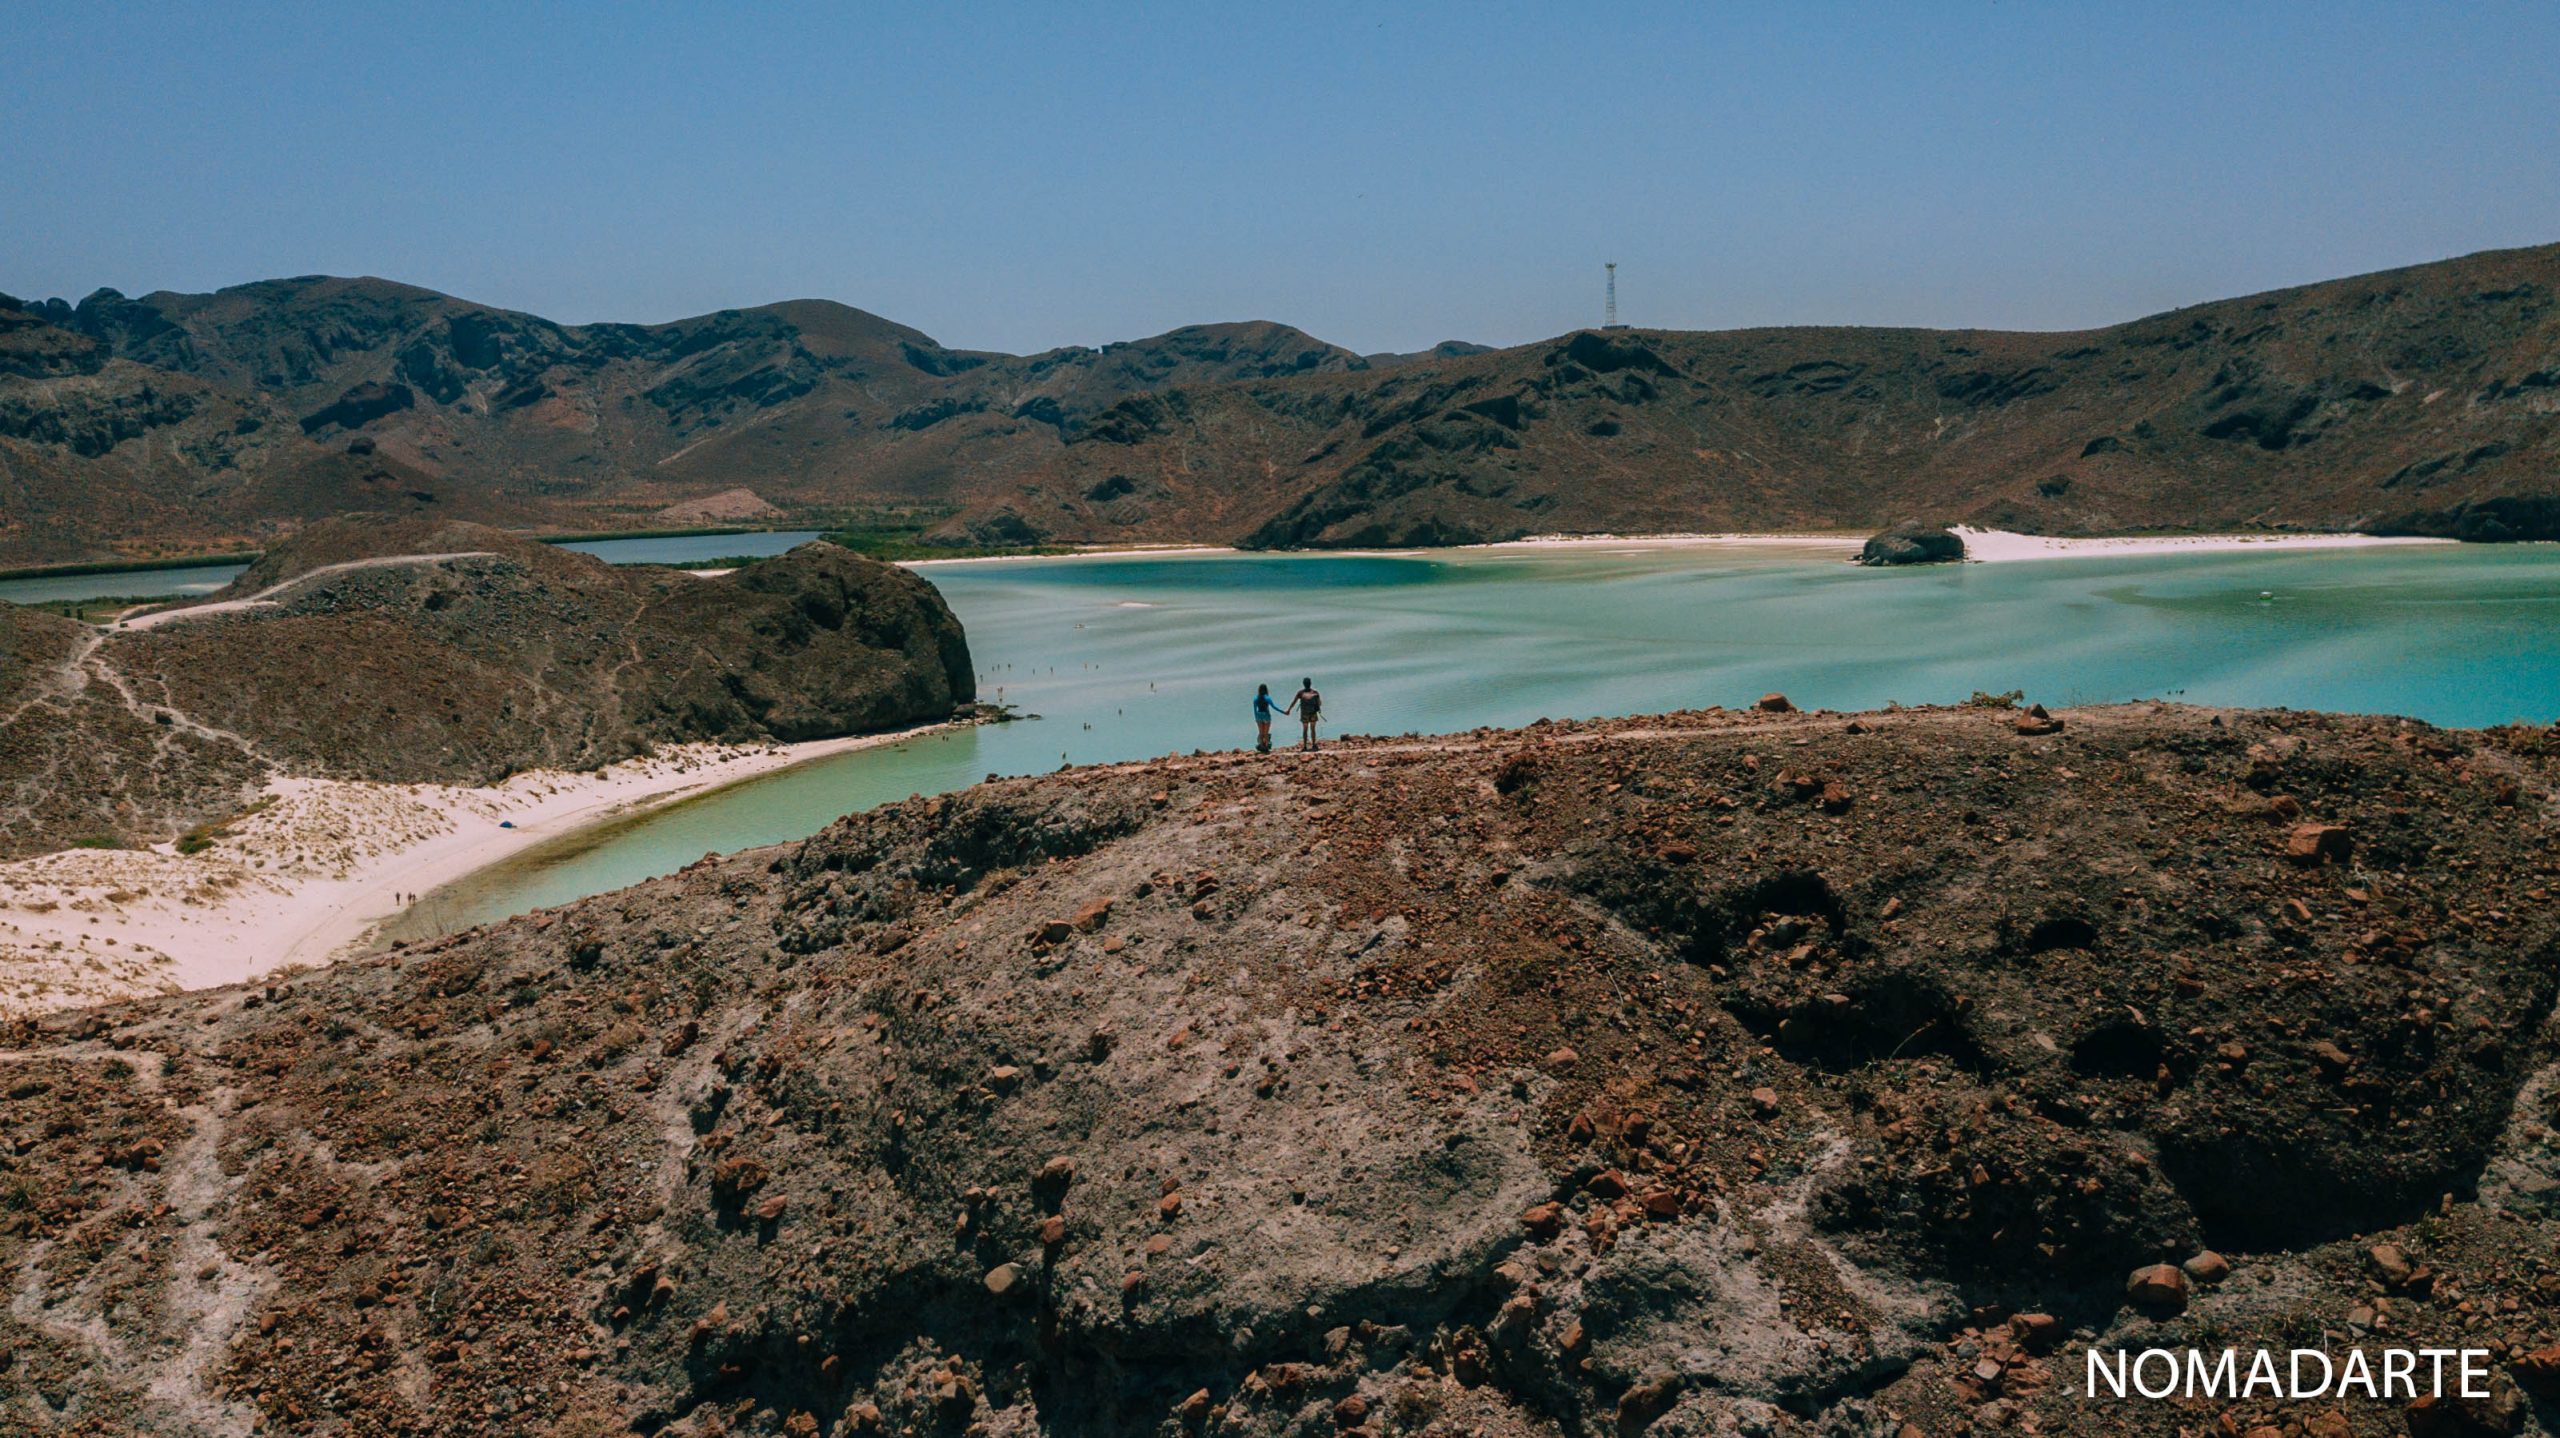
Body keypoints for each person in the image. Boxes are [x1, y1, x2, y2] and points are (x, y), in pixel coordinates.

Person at [1284, 676, 1322, 751]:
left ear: (1303, 684)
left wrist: (1289, 710)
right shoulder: (1315, 693)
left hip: (1304, 714)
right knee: (1313, 729)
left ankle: (1305, 746)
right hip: (1313, 713)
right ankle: (1314, 745)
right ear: (1310, 684)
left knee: (1305, 730)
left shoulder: (1300, 693)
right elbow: (1319, 703)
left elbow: (1294, 702)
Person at [1252, 683, 1280, 752]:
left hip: (1259, 715)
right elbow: (1274, 707)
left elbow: (1255, 710)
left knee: (1261, 732)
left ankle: (1261, 746)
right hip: (1266, 715)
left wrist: (1256, 718)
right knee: (1266, 733)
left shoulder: (1255, 698)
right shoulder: (1267, 698)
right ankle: (1267, 746)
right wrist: (1283, 712)